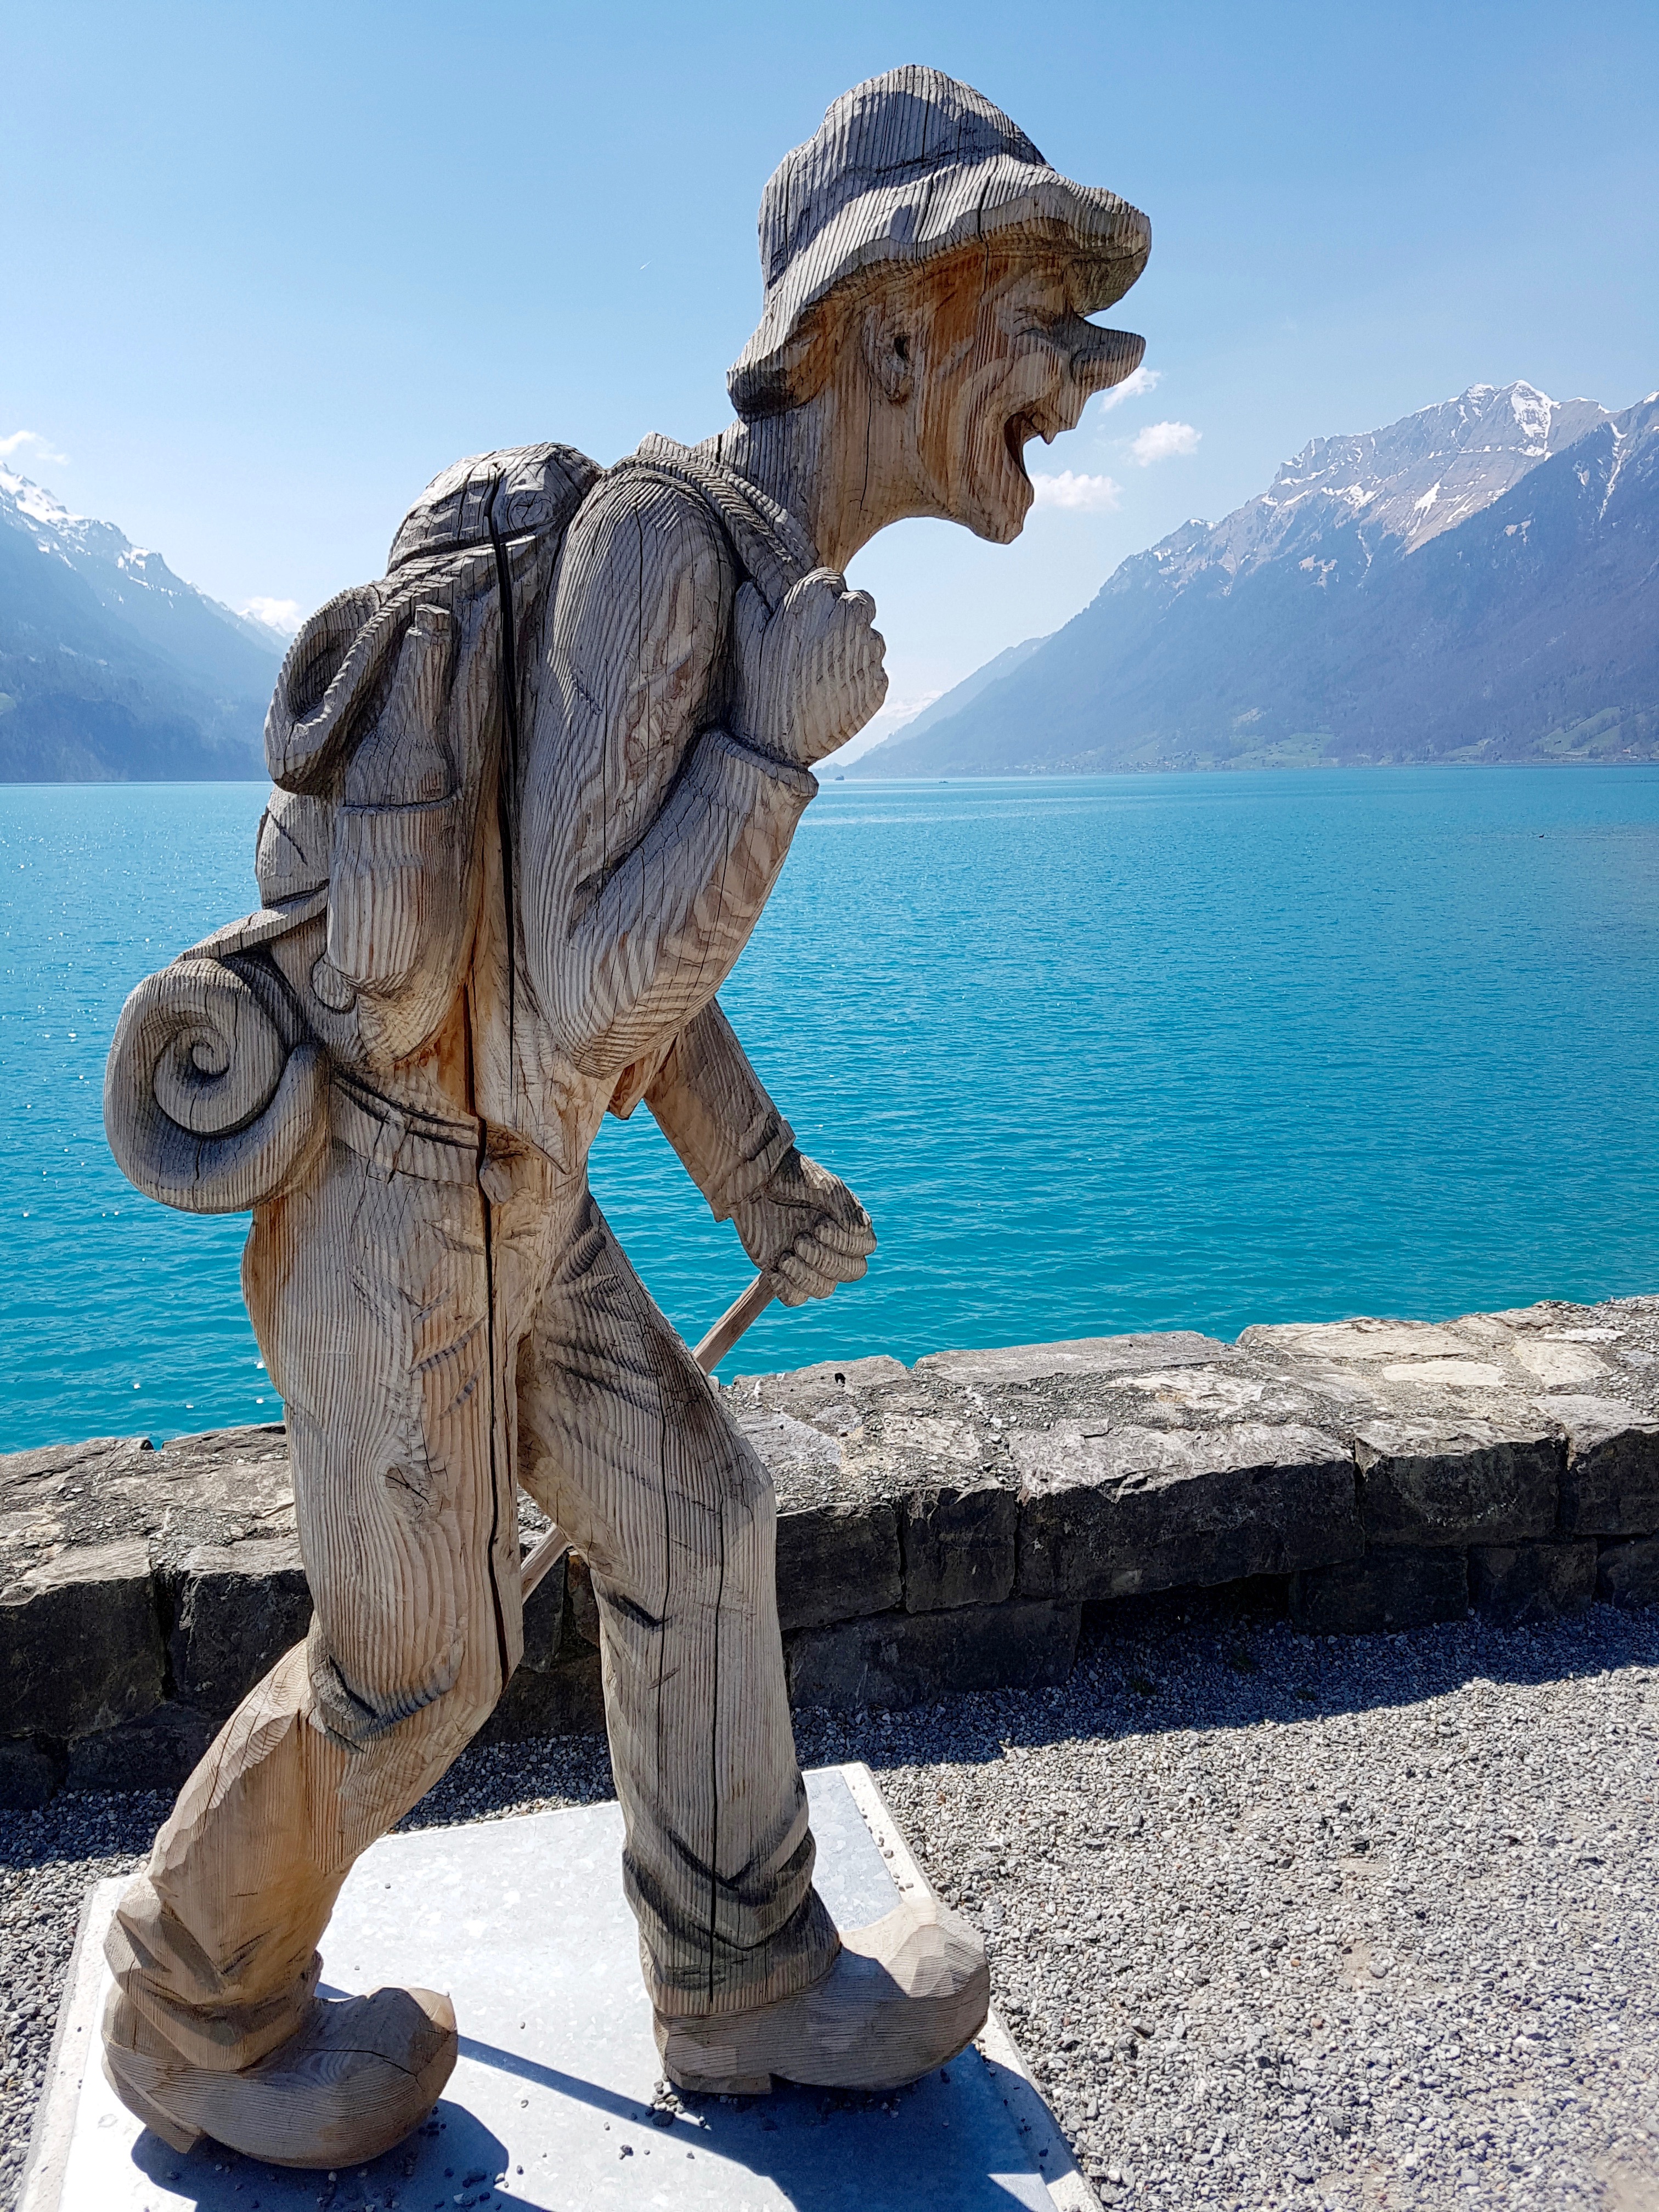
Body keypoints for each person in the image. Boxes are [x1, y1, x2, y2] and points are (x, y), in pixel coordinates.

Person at [99, 64, 1149, 2164]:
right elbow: (588, 982)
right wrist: (774, 752)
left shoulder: (733, 562)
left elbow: (611, 981)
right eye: (1034, 309)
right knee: (417, 1673)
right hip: (405, 1201)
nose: (1083, 369)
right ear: (890, 324)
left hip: (517, 1187)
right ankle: (191, 2005)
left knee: (697, 1516)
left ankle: (741, 1974)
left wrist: (756, 1179)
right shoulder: (680, 551)